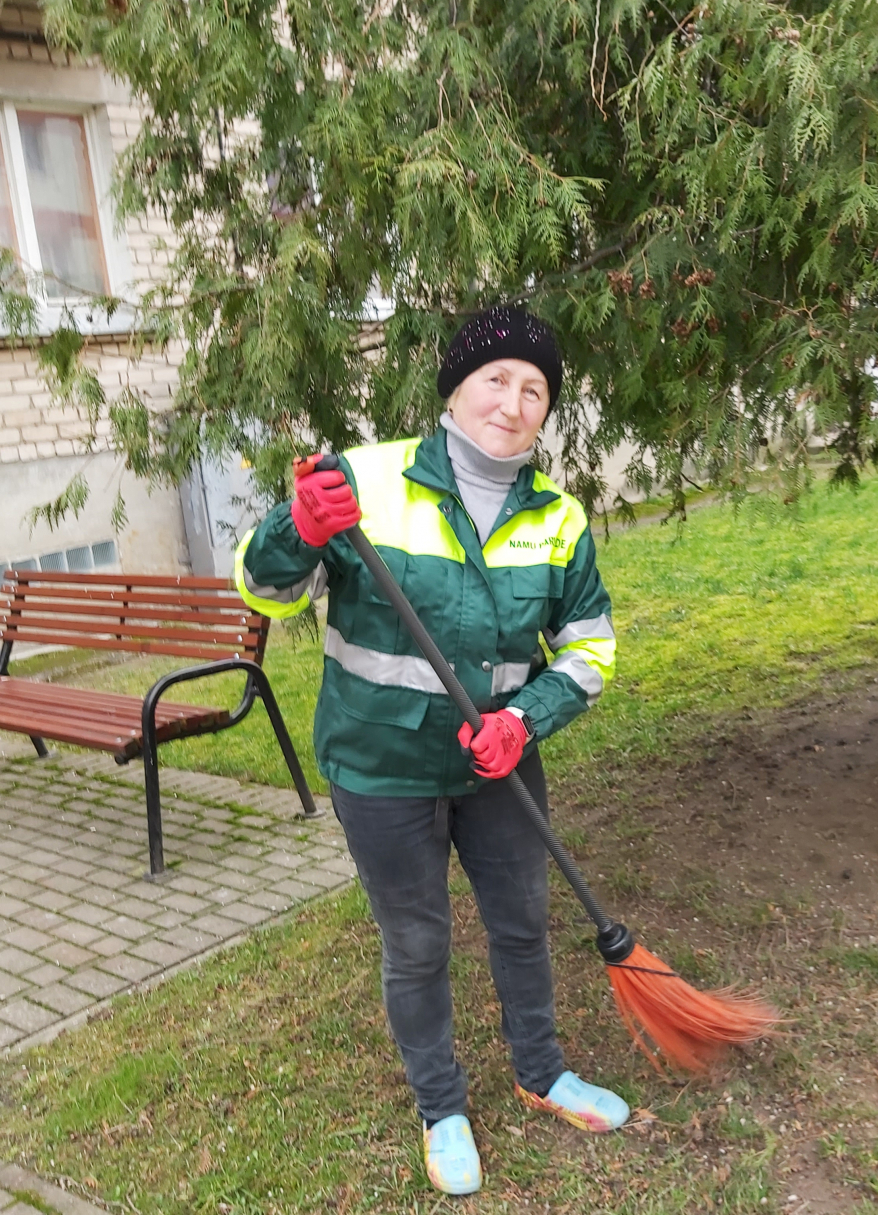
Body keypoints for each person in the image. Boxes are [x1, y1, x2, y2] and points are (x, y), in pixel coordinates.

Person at [235, 306, 627, 1195]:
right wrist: (300, 525)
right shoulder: (364, 481)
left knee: (523, 925)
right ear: (455, 388)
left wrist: (525, 720)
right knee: (415, 943)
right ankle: (441, 1106)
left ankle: (540, 1073)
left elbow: (591, 646)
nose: (514, 401)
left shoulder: (558, 520)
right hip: (380, 769)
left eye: (535, 389)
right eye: (497, 379)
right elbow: (266, 590)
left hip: (499, 767)